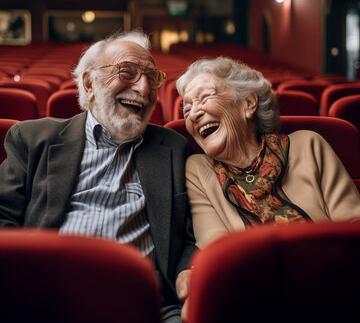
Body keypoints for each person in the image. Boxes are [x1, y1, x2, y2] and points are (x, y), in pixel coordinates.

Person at [0, 30, 196, 323]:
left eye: (151, 78)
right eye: (127, 73)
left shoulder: (173, 146)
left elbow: (192, 233)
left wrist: (187, 270)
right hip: (46, 300)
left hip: (147, 305)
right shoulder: (32, 138)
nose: (143, 88)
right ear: (90, 84)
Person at [176, 56, 360, 249]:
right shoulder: (197, 170)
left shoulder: (309, 146)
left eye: (205, 97)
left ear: (248, 104)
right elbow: (218, 251)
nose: (194, 114)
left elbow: (352, 227)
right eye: (186, 110)